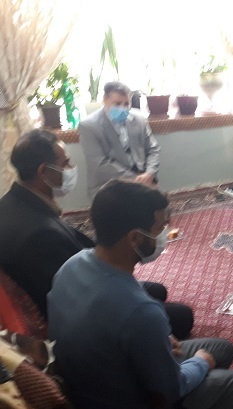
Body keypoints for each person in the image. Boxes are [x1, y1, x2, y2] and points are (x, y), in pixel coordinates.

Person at [47, 179, 233, 409]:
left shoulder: (73, 264)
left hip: (99, 391)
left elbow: (121, 313)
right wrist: (201, 363)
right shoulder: (141, 312)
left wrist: (161, 340)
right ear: (134, 238)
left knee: (222, 349)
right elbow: (171, 389)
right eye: (159, 228)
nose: (165, 235)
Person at [0, 129, 193, 339]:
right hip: (81, 307)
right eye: (66, 163)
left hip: (81, 281)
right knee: (183, 317)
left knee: (157, 290)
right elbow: (75, 295)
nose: (71, 168)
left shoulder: (10, 203)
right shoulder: (40, 234)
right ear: (43, 171)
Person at [79, 81, 160, 198]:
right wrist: (137, 181)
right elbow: (100, 164)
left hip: (143, 178)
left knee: (159, 202)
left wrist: (150, 173)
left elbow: (153, 149)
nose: (122, 108)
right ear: (105, 100)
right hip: (109, 186)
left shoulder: (138, 118)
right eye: (117, 104)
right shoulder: (89, 126)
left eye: (126, 104)